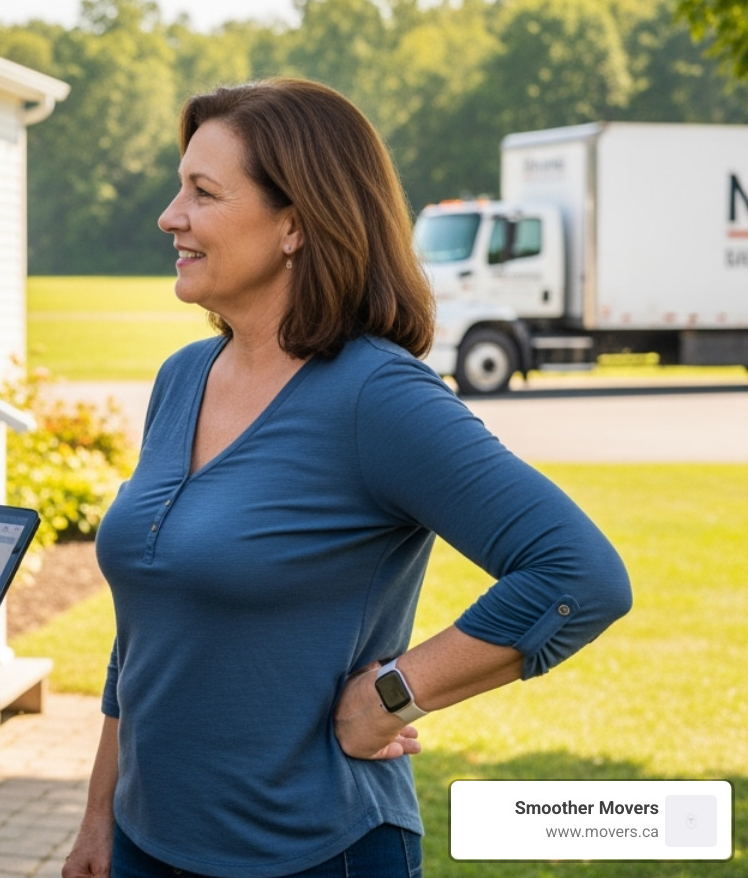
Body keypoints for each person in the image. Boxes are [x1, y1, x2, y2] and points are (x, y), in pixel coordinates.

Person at [62, 79, 631, 878]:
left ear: (295, 223)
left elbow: (579, 574)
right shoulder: (183, 377)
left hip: (315, 852)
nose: (169, 215)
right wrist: (98, 817)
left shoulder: (376, 396)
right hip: (145, 845)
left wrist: (393, 694)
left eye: (202, 192)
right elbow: (145, 631)